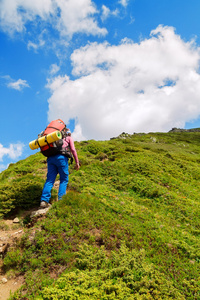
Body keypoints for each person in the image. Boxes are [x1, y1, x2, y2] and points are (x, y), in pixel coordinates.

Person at [40, 129, 80, 208]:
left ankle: (44, 201)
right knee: (64, 179)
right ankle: (61, 201)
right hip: (61, 157)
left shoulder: (54, 138)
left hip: (50, 158)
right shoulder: (68, 138)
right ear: (68, 133)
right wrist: (77, 162)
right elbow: (73, 149)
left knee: (50, 180)